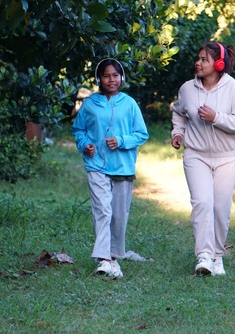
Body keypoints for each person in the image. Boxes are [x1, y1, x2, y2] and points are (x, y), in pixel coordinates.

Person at [170, 42, 235, 276]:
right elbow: (178, 112)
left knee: (220, 208)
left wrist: (217, 117)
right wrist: (178, 133)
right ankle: (204, 256)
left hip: (226, 157)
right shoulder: (187, 88)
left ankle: (217, 256)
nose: (198, 63)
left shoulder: (232, 88)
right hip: (196, 155)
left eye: (204, 59)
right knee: (202, 203)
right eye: (198, 58)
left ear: (219, 63)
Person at [71, 58, 149, 278]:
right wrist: (84, 144)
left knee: (118, 215)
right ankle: (106, 259)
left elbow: (141, 134)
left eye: (115, 75)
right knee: (103, 210)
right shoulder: (90, 104)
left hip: (123, 167)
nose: (111, 79)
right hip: (96, 165)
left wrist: (122, 141)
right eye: (106, 75)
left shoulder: (130, 104)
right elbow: (79, 130)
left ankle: (114, 255)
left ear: (121, 77)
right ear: (99, 79)